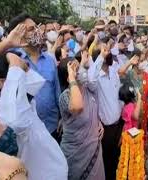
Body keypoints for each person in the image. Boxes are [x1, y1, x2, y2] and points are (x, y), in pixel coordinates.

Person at [0, 52, 68, 179]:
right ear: (3, 83)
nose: (22, 75)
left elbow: (36, 83)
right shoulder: (4, 115)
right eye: (18, 74)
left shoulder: (22, 102)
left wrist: (22, 67)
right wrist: (14, 63)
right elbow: (15, 120)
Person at [6, 13, 61, 140]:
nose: (37, 31)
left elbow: (56, 91)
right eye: (31, 29)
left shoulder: (49, 60)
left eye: (36, 27)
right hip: (27, 135)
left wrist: (62, 117)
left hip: (52, 127)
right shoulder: (12, 61)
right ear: (18, 35)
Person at [58, 51, 105, 180]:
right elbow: (78, 107)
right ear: (68, 77)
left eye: (80, 67)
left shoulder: (87, 87)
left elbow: (94, 108)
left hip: (94, 149)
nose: (81, 71)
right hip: (76, 155)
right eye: (76, 69)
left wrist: (97, 122)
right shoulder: (65, 97)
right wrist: (72, 78)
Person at [88, 43, 123, 180]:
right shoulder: (95, 77)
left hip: (118, 124)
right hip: (105, 128)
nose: (108, 53)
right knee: (106, 161)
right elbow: (90, 80)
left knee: (116, 157)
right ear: (99, 56)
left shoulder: (113, 71)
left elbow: (119, 95)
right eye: (104, 51)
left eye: (108, 51)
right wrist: (101, 57)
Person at [118, 54, 148, 141]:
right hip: (132, 111)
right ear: (136, 62)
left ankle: (141, 152)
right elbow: (120, 73)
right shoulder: (130, 74)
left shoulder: (147, 75)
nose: (143, 63)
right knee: (133, 136)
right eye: (141, 60)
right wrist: (129, 63)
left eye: (144, 60)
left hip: (144, 110)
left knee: (143, 133)